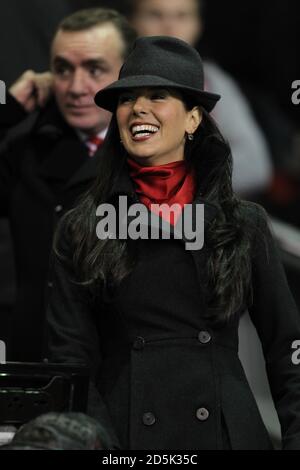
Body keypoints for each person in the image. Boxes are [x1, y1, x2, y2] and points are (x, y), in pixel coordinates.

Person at [46, 36, 300, 450]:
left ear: (193, 119)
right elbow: (68, 363)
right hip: (126, 439)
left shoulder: (243, 224)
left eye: (158, 96)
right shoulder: (82, 228)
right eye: (127, 99)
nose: (138, 108)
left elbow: (288, 347)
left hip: (225, 436)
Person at [0, 8, 136, 361]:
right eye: (63, 69)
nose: (76, 88)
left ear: (128, 73)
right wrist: (6, 113)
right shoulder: (24, 152)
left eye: (94, 70)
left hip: (119, 373)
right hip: (34, 361)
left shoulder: (153, 157)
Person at [125, 0, 273, 197]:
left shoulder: (216, 82)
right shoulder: (107, 80)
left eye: (182, 16)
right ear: (131, 22)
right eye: (155, 15)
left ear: (198, 25)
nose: (170, 25)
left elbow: (255, 166)